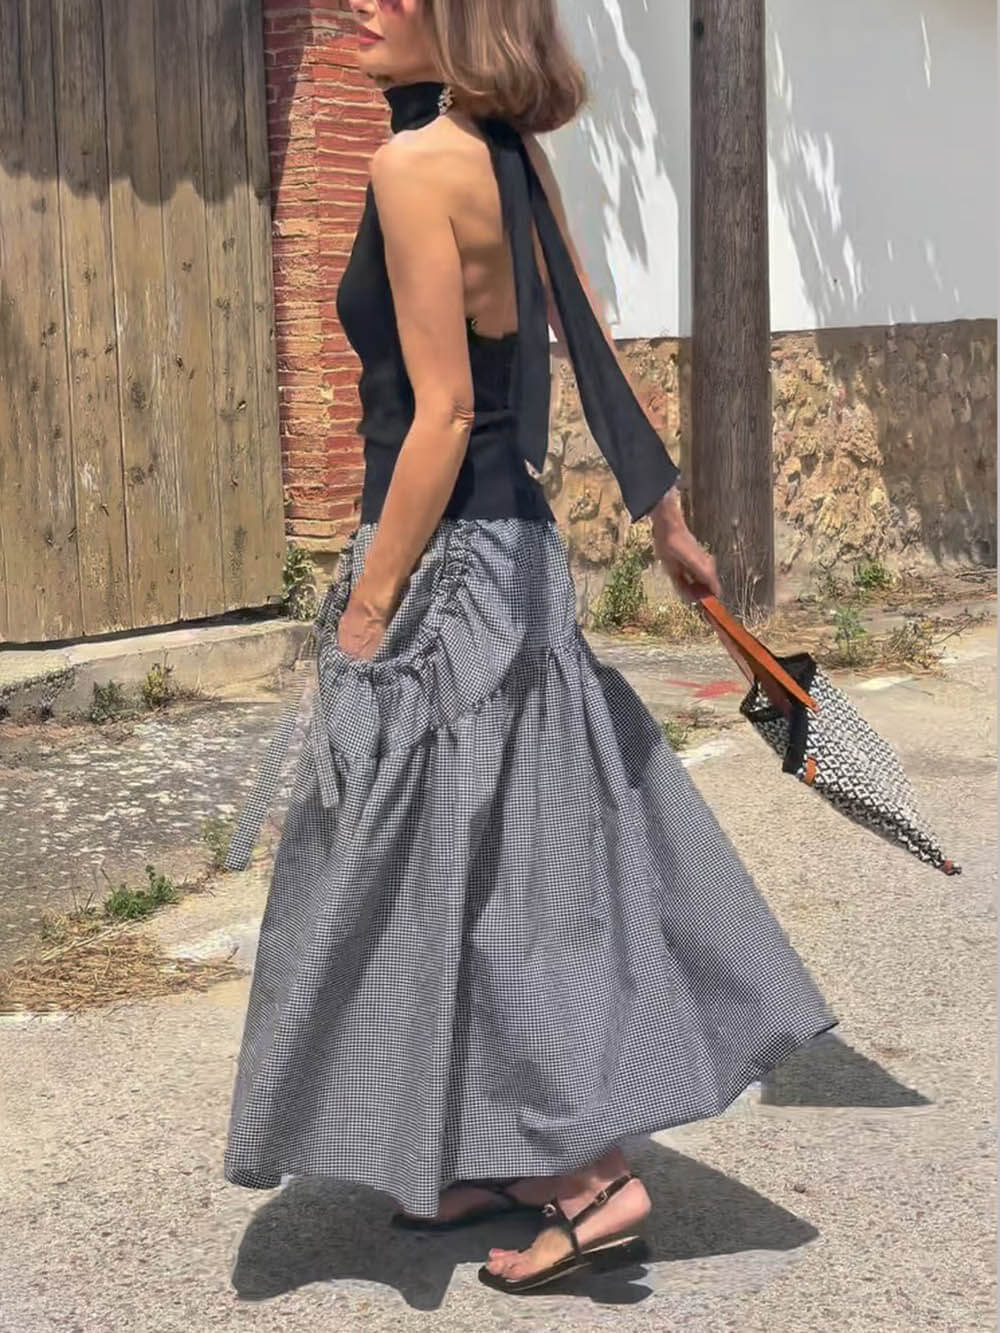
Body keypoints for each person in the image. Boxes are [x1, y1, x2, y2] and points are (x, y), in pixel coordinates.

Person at [223, 0, 834, 1296]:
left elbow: (442, 413)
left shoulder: (412, 165)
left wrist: (368, 604)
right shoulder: (506, 154)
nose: (370, 7)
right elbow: (591, 341)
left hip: (446, 569)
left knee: (438, 878)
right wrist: (667, 518)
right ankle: (501, 1155)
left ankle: (587, 1176)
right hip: (520, 561)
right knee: (484, 868)